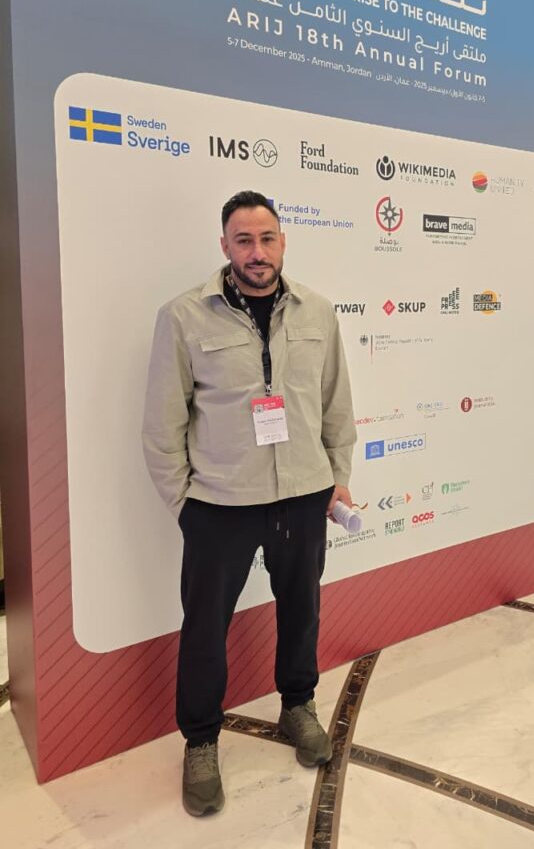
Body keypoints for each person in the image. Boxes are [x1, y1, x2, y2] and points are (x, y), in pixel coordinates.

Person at [142, 190, 356, 817]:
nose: (256, 252)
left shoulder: (318, 311)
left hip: (303, 493)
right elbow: (162, 423)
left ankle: (298, 706)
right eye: (244, 240)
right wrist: (184, 504)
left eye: (266, 239)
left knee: (302, 609)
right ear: (225, 246)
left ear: (283, 242)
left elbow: (335, 403)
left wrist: (337, 476)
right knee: (205, 626)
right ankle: (201, 741)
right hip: (220, 501)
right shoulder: (183, 316)